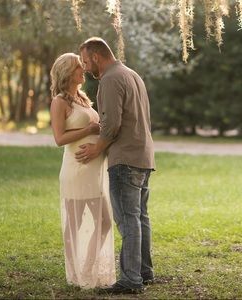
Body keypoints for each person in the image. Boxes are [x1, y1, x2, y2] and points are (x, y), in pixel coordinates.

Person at [76, 37, 155, 294]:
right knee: (140, 218)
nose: (86, 67)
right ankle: (144, 272)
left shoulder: (110, 79)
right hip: (143, 156)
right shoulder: (131, 74)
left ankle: (131, 280)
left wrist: (96, 148)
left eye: (86, 61)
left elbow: (112, 124)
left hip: (124, 160)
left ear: (97, 57)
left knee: (128, 220)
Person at [50, 53, 116, 289]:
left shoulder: (82, 98)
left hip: (94, 170)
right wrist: (89, 128)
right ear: (68, 72)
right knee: (74, 225)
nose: (84, 70)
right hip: (76, 169)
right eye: (79, 67)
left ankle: (87, 266)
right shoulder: (60, 101)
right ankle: (76, 273)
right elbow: (59, 138)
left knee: (106, 222)